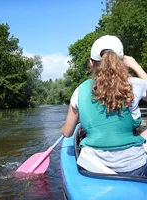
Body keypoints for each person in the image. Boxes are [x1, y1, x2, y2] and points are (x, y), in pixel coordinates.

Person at [62, 35, 147, 176]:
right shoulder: (135, 85)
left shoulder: (80, 91)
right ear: (122, 62)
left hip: (92, 166)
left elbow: (67, 133)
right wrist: (135, 66)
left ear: (91, 63)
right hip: (133, 167)